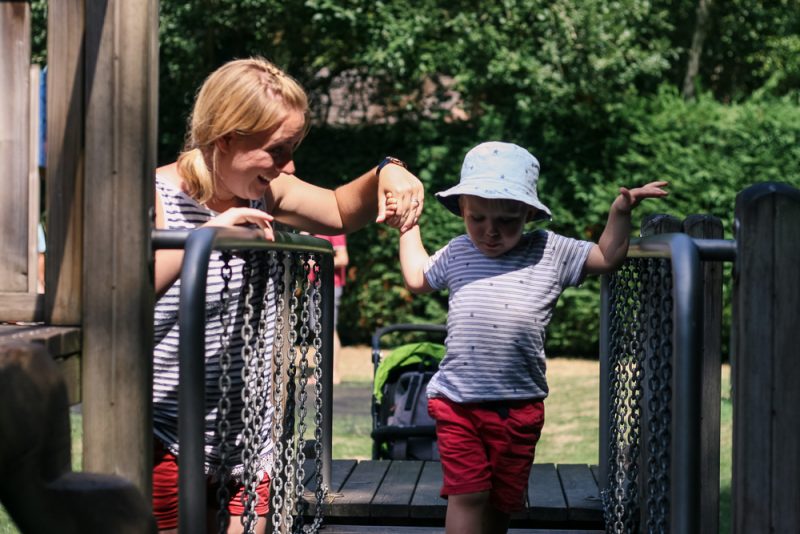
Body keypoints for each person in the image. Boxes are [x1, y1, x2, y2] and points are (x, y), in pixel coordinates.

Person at [152, 57, 423, 534]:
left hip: (252, 436)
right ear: (226, 138)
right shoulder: (154, 196)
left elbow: (340, 209)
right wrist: (208, 235)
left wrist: (387, 171)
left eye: (292, 149)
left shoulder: (266, 191)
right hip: (166, 437)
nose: (289, 165)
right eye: (278, 150)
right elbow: (121, 294)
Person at [396, 141, 668, 534]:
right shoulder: (458, 252)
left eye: (506, 220)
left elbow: (607, 257)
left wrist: (619, 212)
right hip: (458, 403)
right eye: (477, 219)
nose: (490, 231)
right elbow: (418, 277)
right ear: (463, 213)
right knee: (468, 493)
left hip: (518, 407)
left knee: (502, 501)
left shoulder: (549, 251)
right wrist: (408, 227)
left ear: (528, 213)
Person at [312, 233, 348, 384]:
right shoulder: (313, 230)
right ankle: (323, 371)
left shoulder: (334, 230)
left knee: (329, 328)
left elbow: (343, 258)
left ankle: (332, 373)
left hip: (330, 285)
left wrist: (317, 263)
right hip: (317, 284)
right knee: (318, 328)